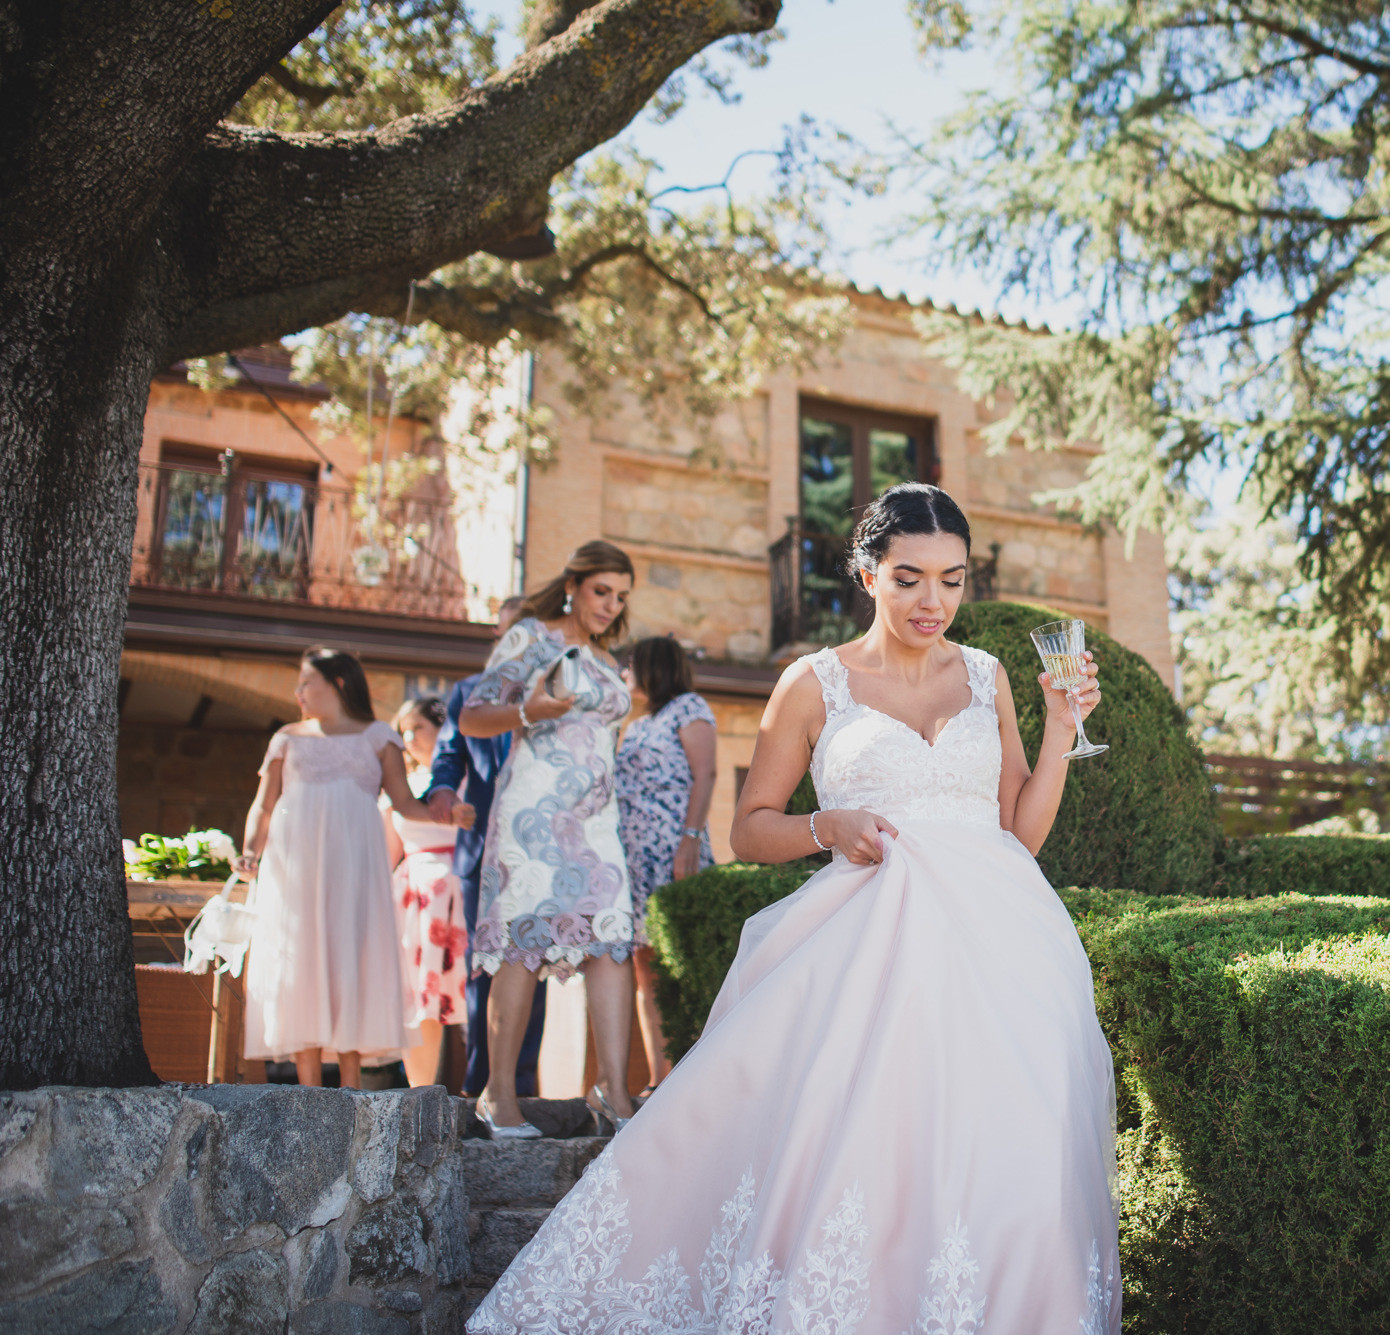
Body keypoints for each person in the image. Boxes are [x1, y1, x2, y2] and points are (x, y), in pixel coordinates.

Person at [467, 485, 1118, 1332]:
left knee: (1007, 1155)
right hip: (865, 943)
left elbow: (1019, 834)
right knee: (860, 1152)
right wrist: (825, 825)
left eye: (953, 581)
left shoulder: (989, 676)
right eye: (911, 578)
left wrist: (1063, 728)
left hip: (1001, 946)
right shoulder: (812, 683)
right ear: (866, 572)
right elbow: (748, 829)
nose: (935, 602)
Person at [458, 541, 642, 1138]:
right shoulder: (531, 637)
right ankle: (498, 1095)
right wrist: (529, 712)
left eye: (620, 597)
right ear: (573, 585)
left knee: (612, 940)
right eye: (601, 592)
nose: (611, 606)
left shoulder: (604, 656)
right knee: (524, 941)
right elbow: (472, 716)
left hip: (596, 820)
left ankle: (613, 1090)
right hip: (533, 812)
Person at [236, 648, 438, 1090]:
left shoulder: (379, 736)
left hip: (355, 869)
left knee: (351, 954)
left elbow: (404, 802)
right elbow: (263, 806)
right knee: (302, 959)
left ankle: (351, 1086)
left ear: (339, 684)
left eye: (307, 682)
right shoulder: (287, 737)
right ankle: (308, 1088)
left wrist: (449, 814)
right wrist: (250, 850)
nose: (298, 692)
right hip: (297, 871)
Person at [426, 596, 549, 1102]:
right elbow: (448, 757)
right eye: (505, 634)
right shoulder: (468, 693)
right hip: (482, 851)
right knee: (482, 973)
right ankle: (479, 1089)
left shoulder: (559, 694)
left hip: (541, 855)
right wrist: (445, 796)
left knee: (532, 971)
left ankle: (521, 1090)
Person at [615, 634, 718, 1093]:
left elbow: (706, 773)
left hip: (673, 847)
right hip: (634, 858)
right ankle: (660, 1078)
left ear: (652, 667)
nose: (624, 674)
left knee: (681, 962)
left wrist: (689, 841)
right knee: (645, 966)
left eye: (630, 665)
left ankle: (693, 1080)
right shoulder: (636, 724)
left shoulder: (688, 708)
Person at [383, 696, 473, 1087]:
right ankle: (419, 1095)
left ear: (442, 728)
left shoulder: (468, 779)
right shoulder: (398, 786)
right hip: (413, 899)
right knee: (420, 1002)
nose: (409, 736)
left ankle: (482, 1092)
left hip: (462, 888)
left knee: (470, 996)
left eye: (418, 726)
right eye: (403, 729)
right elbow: (389, 851)